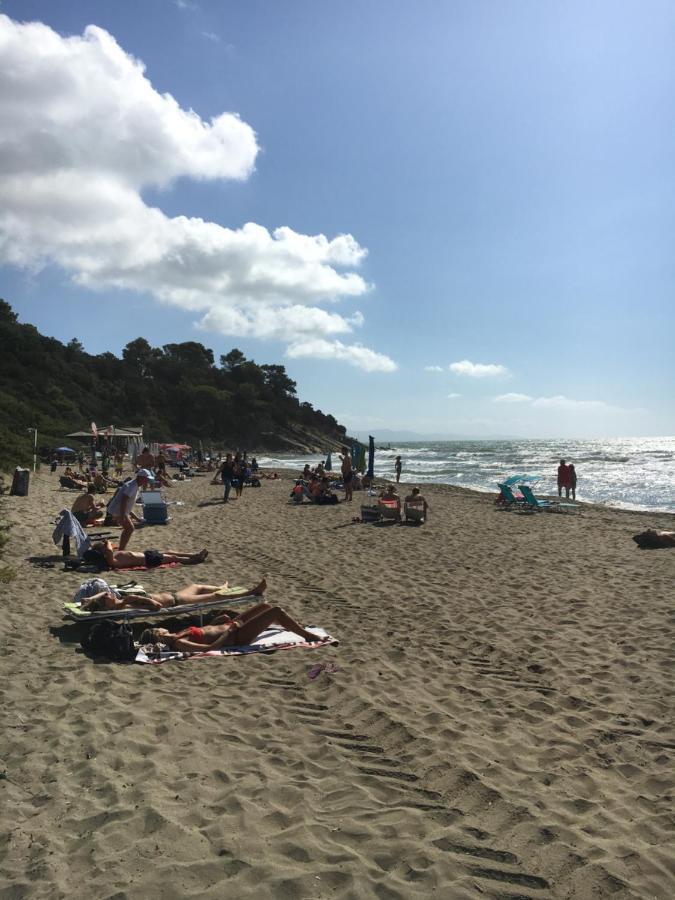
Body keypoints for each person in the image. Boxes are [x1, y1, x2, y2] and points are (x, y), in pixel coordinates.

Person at [141, 602, 319, 652]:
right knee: (276, 611)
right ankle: (306, 635)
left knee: (265, 607)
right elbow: (211, 647)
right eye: (159, 629)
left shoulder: (178, 635)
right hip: (237, 635)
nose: (161, 628)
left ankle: (292, 625)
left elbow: (205, 633)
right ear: (158, 635)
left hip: (229, 626)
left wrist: (215, 623)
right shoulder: (179, 643)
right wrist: (230, 632)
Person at [81, 578, 267, 612]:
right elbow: (157, 607)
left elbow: (105, 593)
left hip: (174, 594)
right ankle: (252, 592)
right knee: (215, 598)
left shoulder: (116, 601)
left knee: (197, 586)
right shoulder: (127, 605)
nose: (109, 595)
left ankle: (220, 586)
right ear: (108, 606)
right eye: (107, 599)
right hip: (178, 601)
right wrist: (132, 598)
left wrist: (91, 598)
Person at [82, 539, 208, 571]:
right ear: (103, 551)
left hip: (146, 554)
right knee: (173, 558)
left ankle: (194, 554)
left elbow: (110, 549)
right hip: (148, 560)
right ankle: (196, 560)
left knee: (169, 551)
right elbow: (109, 550)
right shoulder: (110, 560)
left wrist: (107, 545)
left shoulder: (111, 555)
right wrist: (107, 542)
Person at [106, 469, 151, 549]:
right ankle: (121, 549)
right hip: (118, 511)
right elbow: (124, 500)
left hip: (118, 510)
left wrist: (136, 518)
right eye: (146, 479)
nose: (147, 481)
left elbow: (127, 505)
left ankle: (121, 548)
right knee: (129, 529)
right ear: (140, 477)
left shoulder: (134, 484)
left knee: (128, 529)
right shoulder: (132, 486)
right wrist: (123, 515)